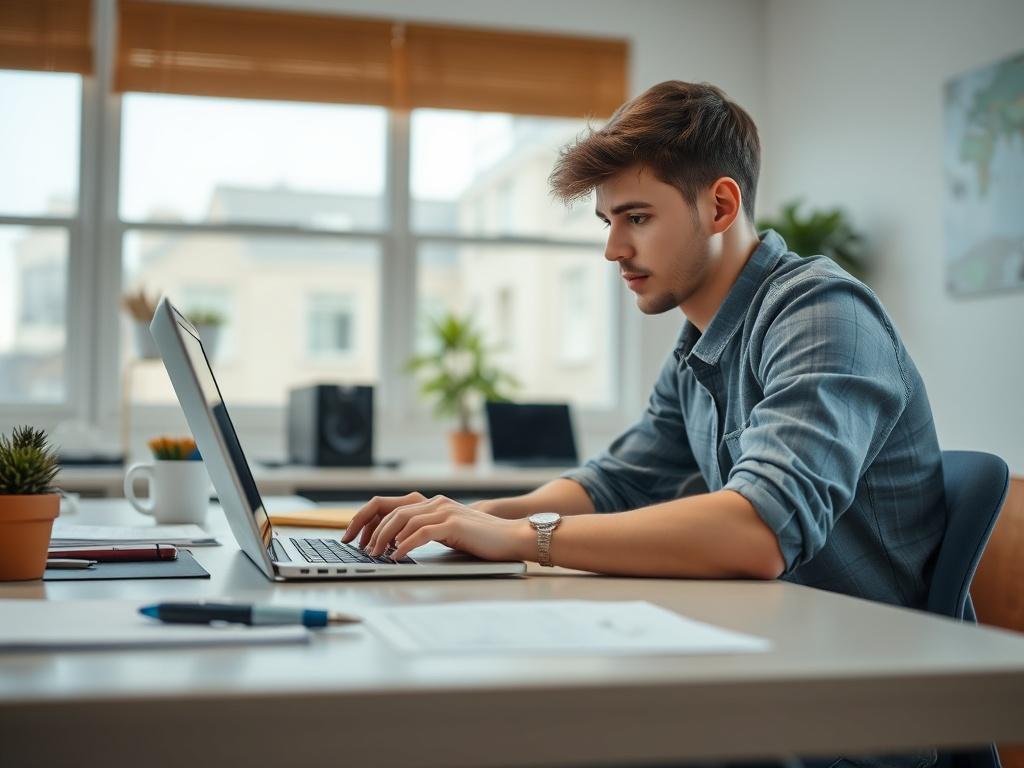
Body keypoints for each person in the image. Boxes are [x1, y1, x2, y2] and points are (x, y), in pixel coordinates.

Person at [343, 80, 945, 613]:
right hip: (772, 650)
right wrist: (468, 518)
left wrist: (529, 537)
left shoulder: (822, 313)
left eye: (637, 218)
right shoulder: (699, 346)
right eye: (609, 222)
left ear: (720, 206)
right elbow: (614, 485)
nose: (613, 251)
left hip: (863, 704)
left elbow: (760, 531)